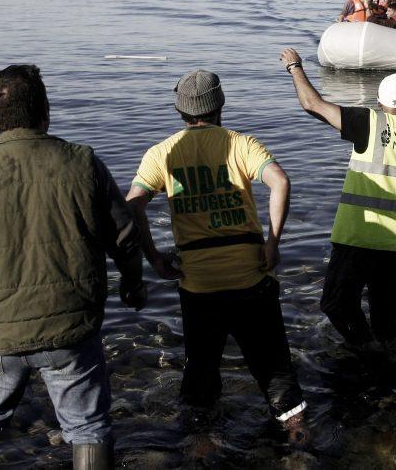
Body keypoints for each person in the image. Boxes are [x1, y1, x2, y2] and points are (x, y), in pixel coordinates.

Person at [0, 64, 145, 469]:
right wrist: (134, 286)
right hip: (70, 330)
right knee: (88, 427)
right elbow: (125, 238)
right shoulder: (83, 163)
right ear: (46, 111)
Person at [125, 70, 307, 438]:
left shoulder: (162, 153)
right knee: (276, 375)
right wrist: (272, 243)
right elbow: (280, 182)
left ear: (180, 109)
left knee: (201, 377)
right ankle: (298, 446)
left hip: (199, 286)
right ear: (220, 105)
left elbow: (133, 206)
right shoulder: (241, 144)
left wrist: (155, 259)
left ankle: (201, 449)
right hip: (251, 278)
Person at [279, 49, 396, 352]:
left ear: (380, 102)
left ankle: (368, 352)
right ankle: (390, 370)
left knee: (335, 304)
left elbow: (312, 104)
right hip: (395, 243)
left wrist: (294, 67)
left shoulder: (370, 123)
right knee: (386, 320)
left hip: (358, 236)